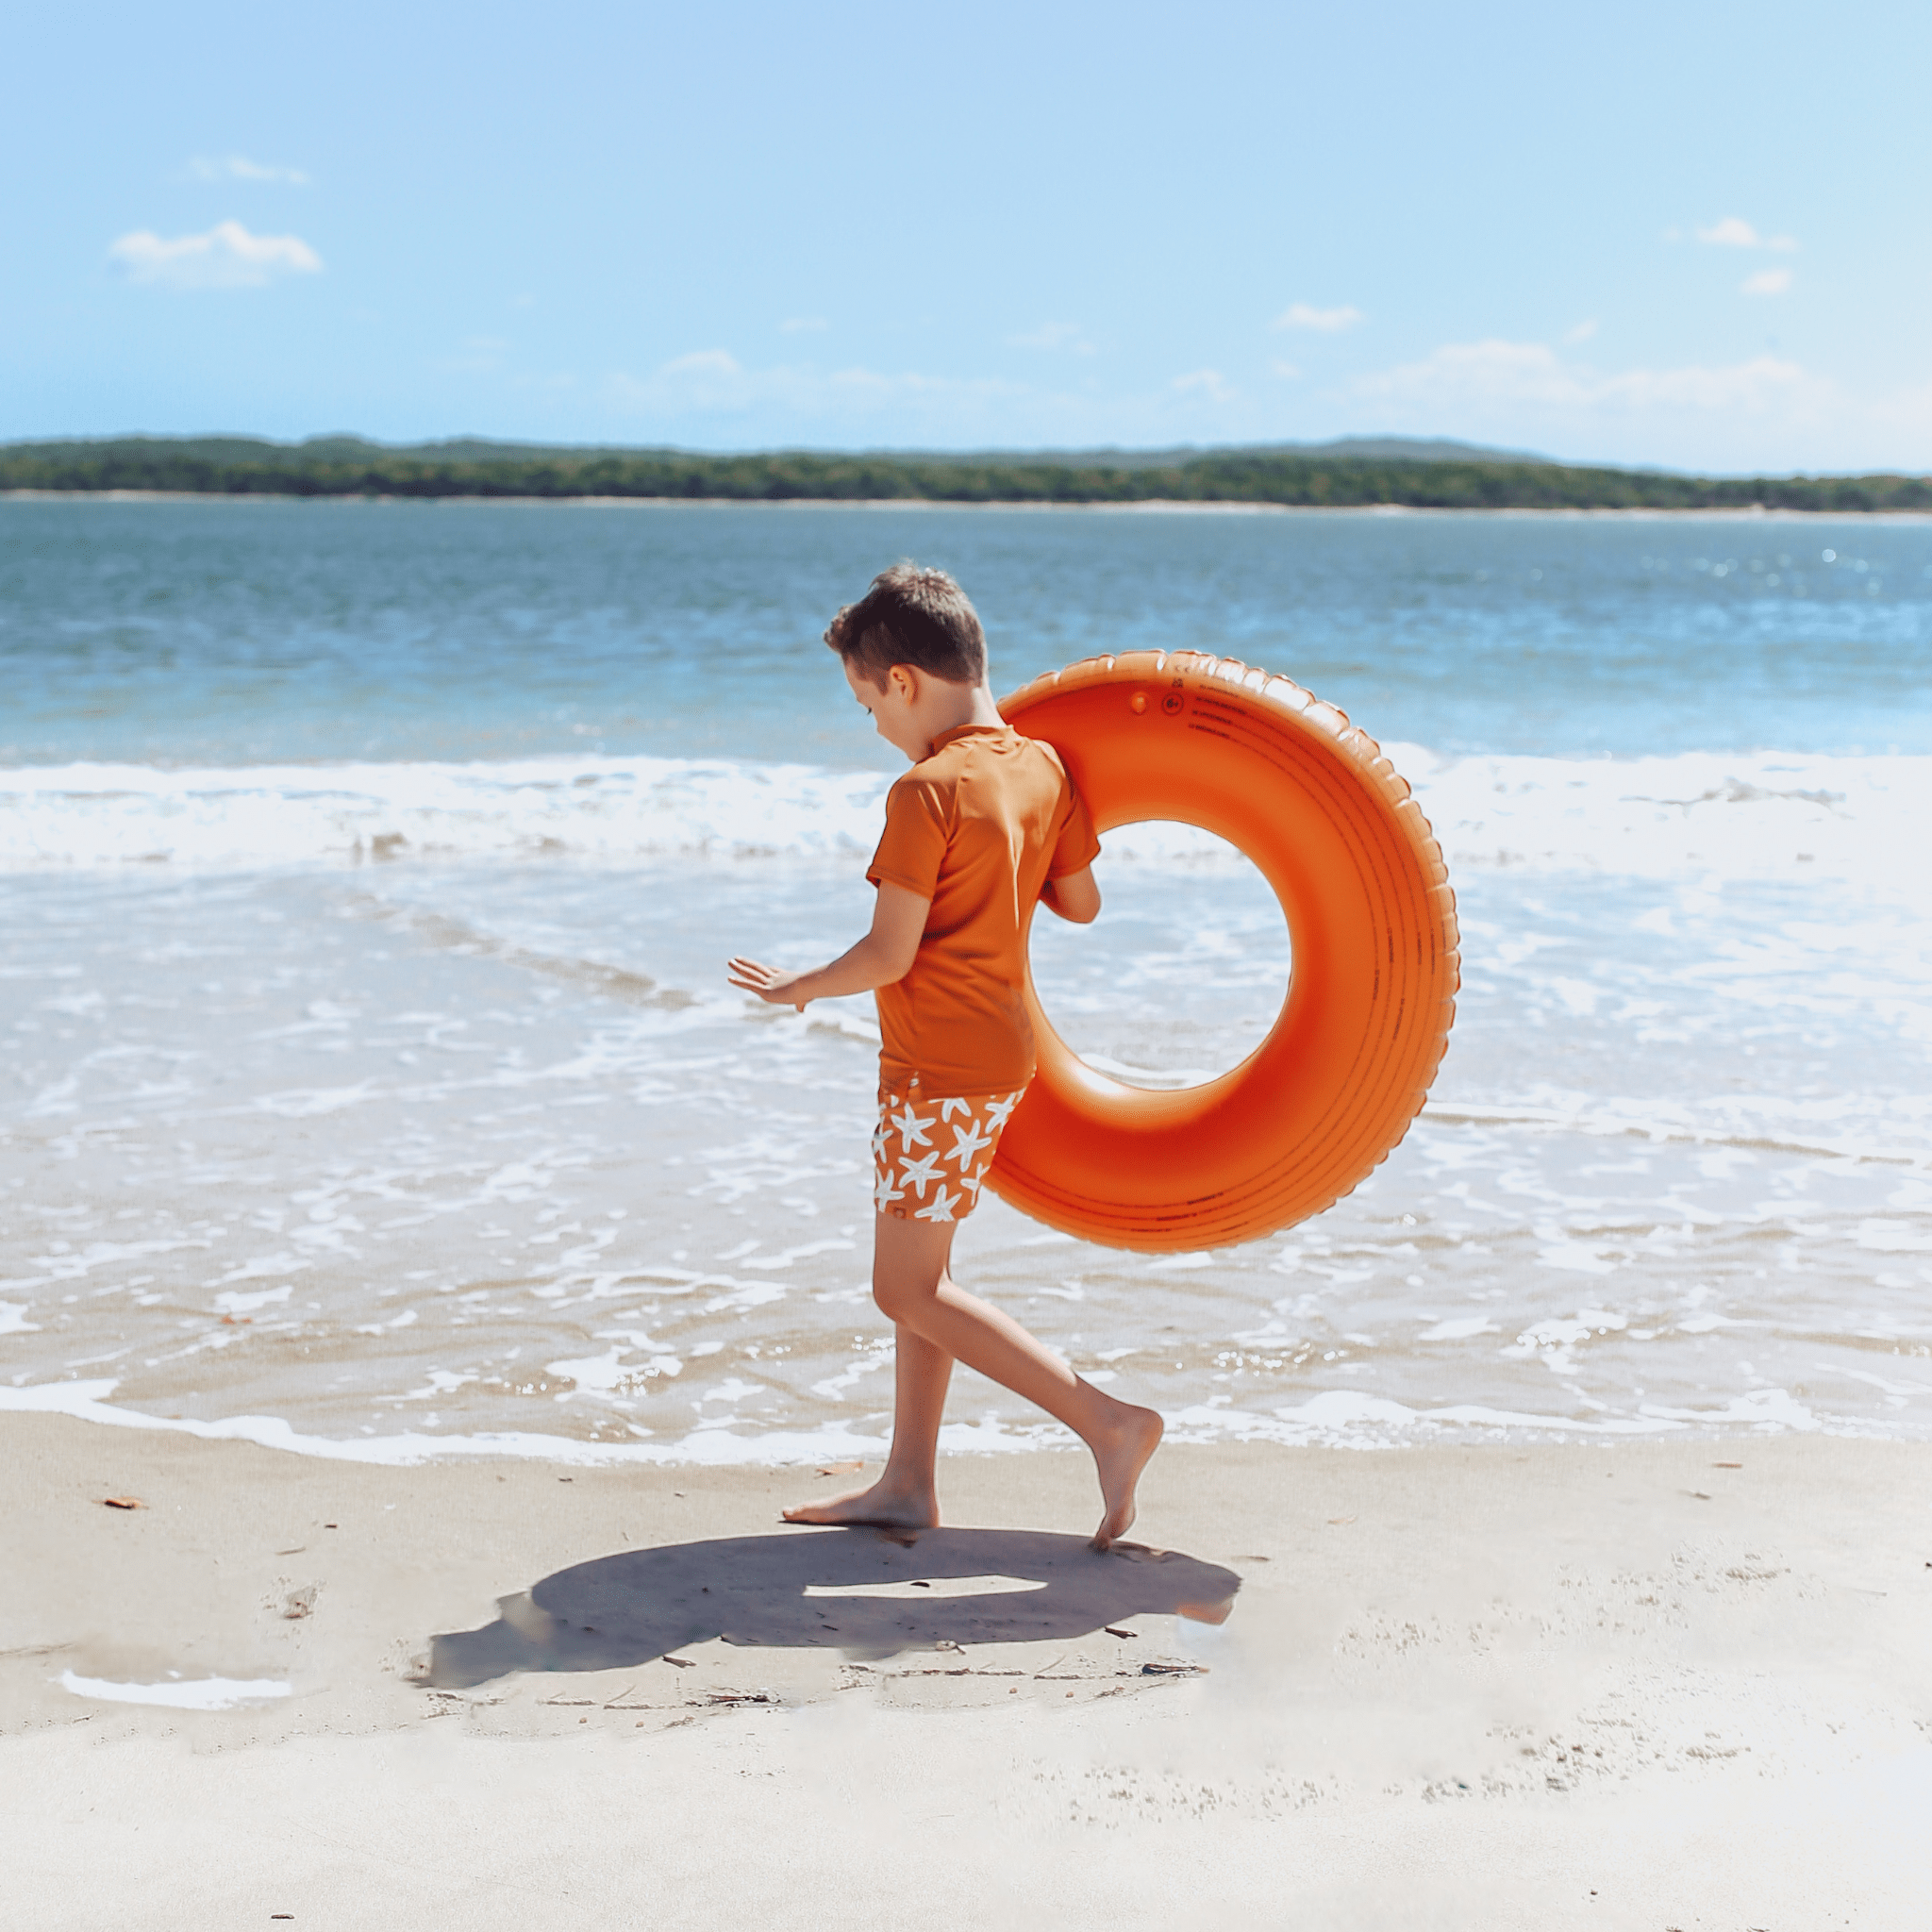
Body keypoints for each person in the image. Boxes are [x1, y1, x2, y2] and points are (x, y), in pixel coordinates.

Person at [727, 564, 1163, 1549]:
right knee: (926, 1270)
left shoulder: (921, 789)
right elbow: (1083, 902)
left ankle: (1107, 1421)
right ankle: (907, 1481)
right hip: (1000, 1058)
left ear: (905, 683)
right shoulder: (1041, 768)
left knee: (904, 1287)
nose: (872, 724)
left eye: (865, 701)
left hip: (934, 1067)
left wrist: (796, 985)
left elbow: (887, 952)